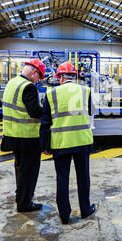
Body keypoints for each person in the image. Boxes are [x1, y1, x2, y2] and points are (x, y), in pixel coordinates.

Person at [40, 62, 96, 225]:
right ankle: (85, 210)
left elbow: (45, 122)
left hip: (61, 143)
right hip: (82, 141)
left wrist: (45, 146)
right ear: (75, 76)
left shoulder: (51, 93)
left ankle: (65, 215)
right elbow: (92, 112)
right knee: (83, 177)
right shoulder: (86, 91)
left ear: (60, 77)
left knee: (62, 178)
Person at [1, 59, 45, 213]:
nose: (38, 80)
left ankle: (21, 196)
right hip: (26, 137)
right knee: (28, 171)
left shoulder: (12, 83)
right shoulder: (28, 87)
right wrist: (45, 109)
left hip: (12, 134)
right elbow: (34, 112)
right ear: (34, 72)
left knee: (20, 168)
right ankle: (25, 203)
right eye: (39, 77)